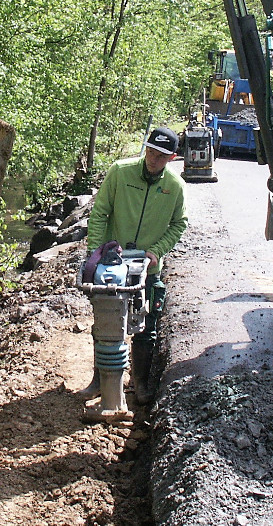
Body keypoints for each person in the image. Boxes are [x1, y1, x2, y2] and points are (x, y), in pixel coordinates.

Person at [85, 126, 187, 403]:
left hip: (148, 266)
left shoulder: (175, 187)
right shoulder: (120, 171)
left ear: (173, 158)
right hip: (112, 263)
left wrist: (157, 251)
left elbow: (180, 224)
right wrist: (95, 251)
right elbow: (100, 212)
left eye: (161, 156)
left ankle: (140, 382)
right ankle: (99, 379)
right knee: (105, 321)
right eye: (151, 152)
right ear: (145, 148)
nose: (153, 160)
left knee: (147, 325)